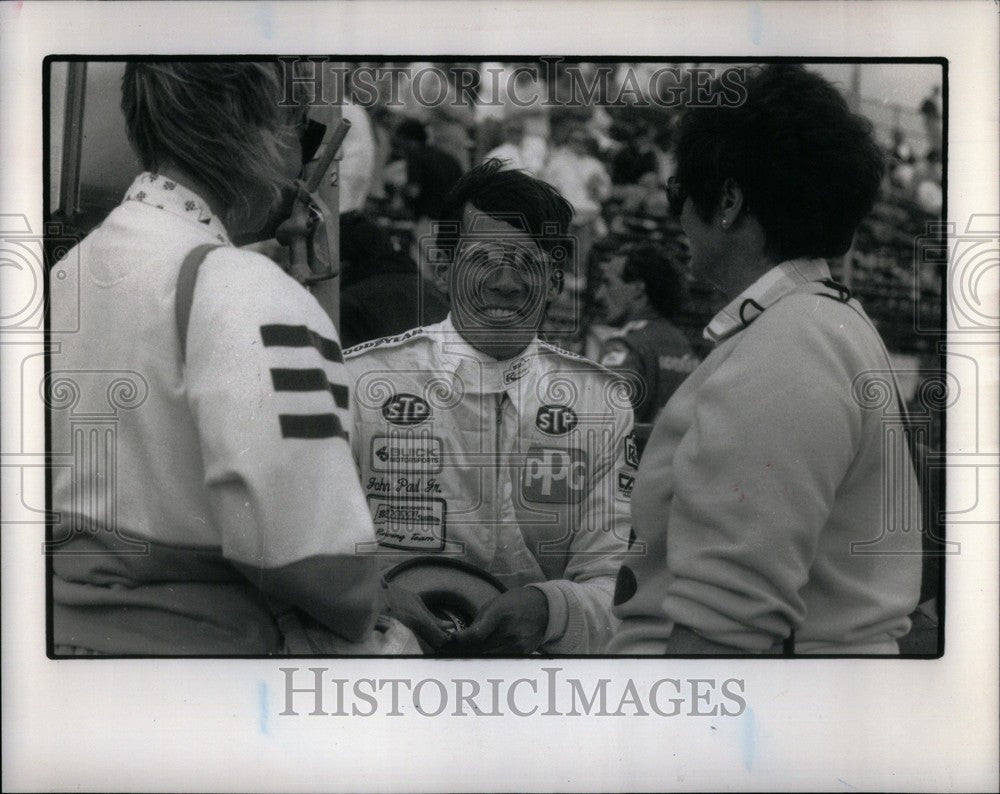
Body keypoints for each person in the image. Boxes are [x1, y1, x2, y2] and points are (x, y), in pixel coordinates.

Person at [47, 62, 409, 655]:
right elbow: (317, 563)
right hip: (208, 673)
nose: (306, 167)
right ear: (264, 124)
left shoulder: (67, 276)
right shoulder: (248, 290)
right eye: (307, 136)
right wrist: (376, 601)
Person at [608, 64, 923, 655]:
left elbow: (723, 632)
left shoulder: (788, 342)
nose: (675, 213)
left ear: (727, 199)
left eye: (680, 191)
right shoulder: (821, 322)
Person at [344, 159, 635, 655]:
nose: (506, 281)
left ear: (556, 281)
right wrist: (375, 597)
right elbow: (309, 557)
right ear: (443, 268)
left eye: (529, 262)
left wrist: (550, 611)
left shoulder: (600, 403)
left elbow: (614, 589)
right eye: (483, 258)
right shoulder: (360, 381)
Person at [595, 242, 699, 424]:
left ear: (637, 289)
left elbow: (603, 424)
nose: (599, 295)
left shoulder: (623, 346)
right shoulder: (685, 347)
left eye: (607, 283)